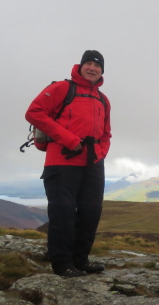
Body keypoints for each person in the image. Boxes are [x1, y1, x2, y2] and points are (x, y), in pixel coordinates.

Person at [25, 50, 112, 278]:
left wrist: (101, 152)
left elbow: (106, 133)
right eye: (89, 64)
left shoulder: (103, 100)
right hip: (61, 160)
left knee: (90, 211)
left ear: (102, 71)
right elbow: (34, 112)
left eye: (97, 65)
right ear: (80, 66)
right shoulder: (63, 88)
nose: (92, 68)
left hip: (93, 163)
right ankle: (62, 263)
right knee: (63, 211)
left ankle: (80, 260)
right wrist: (69, 139)